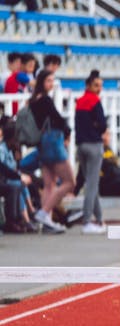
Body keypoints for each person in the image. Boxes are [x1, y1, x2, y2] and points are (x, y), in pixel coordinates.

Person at [27, 69, 70, 233]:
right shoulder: (45, 100)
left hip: (42, 144)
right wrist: (67, 132)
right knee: (69, 182)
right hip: (52, 142)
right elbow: (58, 118)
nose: (51, 84)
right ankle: (44, 213)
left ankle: (48, 222)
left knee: (49, 184)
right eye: (49, 81)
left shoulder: (32, 100)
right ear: (41, 82)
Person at [74, 70, 108, 234]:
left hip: (81, 145)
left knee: (90, 183)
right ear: (88, 85)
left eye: (100, 85)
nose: (99, 88)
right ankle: (87, 221)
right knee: (92, 185)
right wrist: (96, 126)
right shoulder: (95, 101)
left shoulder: (80, 101)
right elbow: (102, 125)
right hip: (94, 145)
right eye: (96, 85)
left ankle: (99, 219)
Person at [0, 117, 36, 233]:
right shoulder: (2, 149)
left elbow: (14, 169)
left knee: (19, 185)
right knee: (15, 186)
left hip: (6, 180)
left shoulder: (11, 150)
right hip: (4, 180)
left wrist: (17, 156)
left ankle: (24, 217)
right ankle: (17, 220)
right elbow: (3, 169)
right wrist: (19, 177)